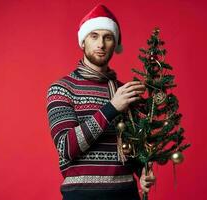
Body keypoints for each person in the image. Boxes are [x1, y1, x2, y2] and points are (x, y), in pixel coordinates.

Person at [46, 4, 156, 200]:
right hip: (81, 196)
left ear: (115, 44)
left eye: (108, 37)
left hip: (126, 194)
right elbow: (66, 147)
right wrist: (112, 107)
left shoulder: (125, 91)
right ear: (83, 42)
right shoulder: (62, 88)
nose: (101, 44)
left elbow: (136, 148)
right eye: (94, 36)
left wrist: (143, 172)